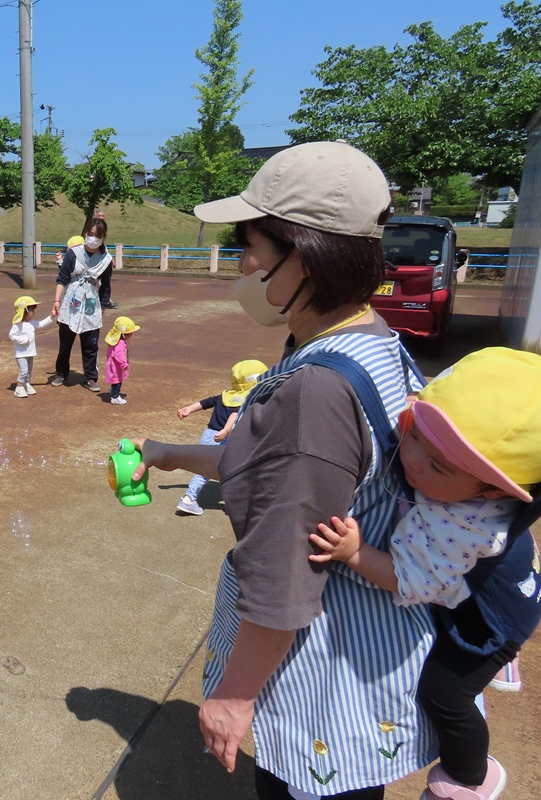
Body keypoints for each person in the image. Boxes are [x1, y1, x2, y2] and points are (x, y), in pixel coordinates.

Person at [132, 141, 437, 798]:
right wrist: (170, 451)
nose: (240, 265)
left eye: (251, 247)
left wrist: (235, 698)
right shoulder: (373, 340)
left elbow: (285, 561)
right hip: (372, 648)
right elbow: (281, 465)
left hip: (321, 667)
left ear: (305, 256)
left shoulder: (314, 388)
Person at [309, 347, 541, 800]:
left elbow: (413, 580)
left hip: (488, 623)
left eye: (437, 465)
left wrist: (354, 553)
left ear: (493, 489)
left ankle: (470, 776)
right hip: (485, 587)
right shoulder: (446, 475)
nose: (412, 459)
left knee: (443, 693)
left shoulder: (464, 526)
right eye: (416, 434)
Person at [173, 359, 267, 515]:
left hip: (209, 434)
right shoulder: (248, 398)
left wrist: (189, 409)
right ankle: (237, 504)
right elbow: (235, 415)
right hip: (225, 437)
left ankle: (189, 498)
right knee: (236, 469)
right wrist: (226, 431)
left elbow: (207, 402)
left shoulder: (226, 395)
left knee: (203, 468)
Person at [50, 217, 113, 392]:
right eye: (91, 234)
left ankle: (91, 377)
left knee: (91, 344)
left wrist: (103, 305)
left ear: (103, 237)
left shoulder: (106, 259)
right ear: (85, 233)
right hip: (71, 301)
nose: (93, 238)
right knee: (65, 342)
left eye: (97, 235)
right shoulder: (73, 253)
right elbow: (62, 278)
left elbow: (106, 285)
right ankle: (61, 373)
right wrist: (56, 300)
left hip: (92, 302)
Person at [8, 295, 54, 398]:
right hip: (21, 354)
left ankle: (26, 384)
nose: (33, 312)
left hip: (30, 352)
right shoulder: (17, 325)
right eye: (32, 309)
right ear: (25, 310)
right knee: (23, 371)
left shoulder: (31, 323)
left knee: (29, 371)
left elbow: (41, 324)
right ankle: (19, 387)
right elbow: (11, 335)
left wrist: (51, 317)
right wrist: (22, 340)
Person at [104, 315, 139, 405]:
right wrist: (124, 364)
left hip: (114, 365)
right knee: (118, 381)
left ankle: (112, 390)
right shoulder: (119, 343)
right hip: (117, 366)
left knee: (116, 380)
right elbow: (119, 355)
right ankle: (115, 397)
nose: (131, 335)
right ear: (123, 333)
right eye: (130, 333)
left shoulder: (115, 340)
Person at [93, 210, 118, 309]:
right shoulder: (94, 227)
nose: (102, 217)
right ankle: (103, 301)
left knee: (104, 282)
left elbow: (103, 245)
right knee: (97, 281)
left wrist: (110, 258)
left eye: (103, 215)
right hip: (96, 258)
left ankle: (106, 300)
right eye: (99, 215)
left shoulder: (102, 227)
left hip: (102, 257)